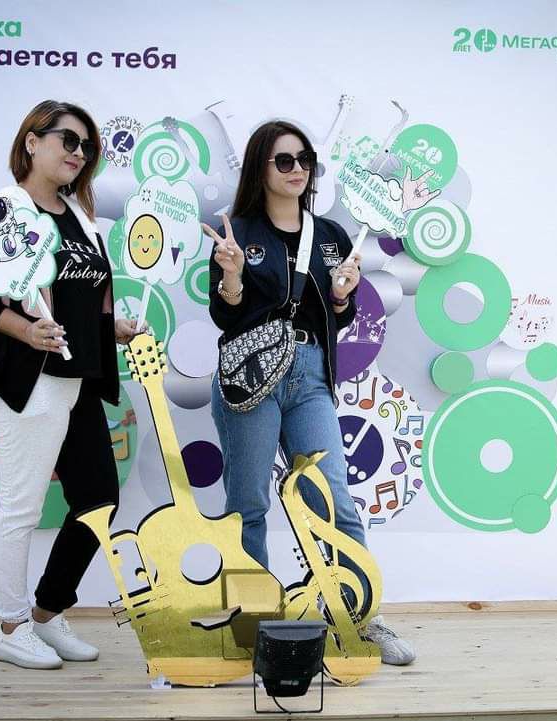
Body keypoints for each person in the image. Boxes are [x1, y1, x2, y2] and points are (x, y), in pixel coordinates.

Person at [203, 120, 415, 665]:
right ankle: (249, 625)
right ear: (260, 169)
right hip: (250, 377)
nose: (298, 169)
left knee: (333, 498)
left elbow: (335, 320)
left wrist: (342, 298)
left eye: (305, 160)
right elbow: (225, 315)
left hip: (310, 376)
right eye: (284, 160)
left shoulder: (330, 236)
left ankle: (359, 616)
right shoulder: (238, 234)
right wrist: (232, 276)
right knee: (248, 504)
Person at [0, 100, 141, 669]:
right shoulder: (6, 209)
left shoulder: (79, 214)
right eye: (68, 139)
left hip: (81, 377)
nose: (78, 153)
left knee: (98, 500)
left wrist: (113, 326)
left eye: (87, 146)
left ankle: (46, 612)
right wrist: (24, 329)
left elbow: (84, 297)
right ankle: (10, 627)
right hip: (32, 379)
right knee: (21, 506)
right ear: (32, 141)